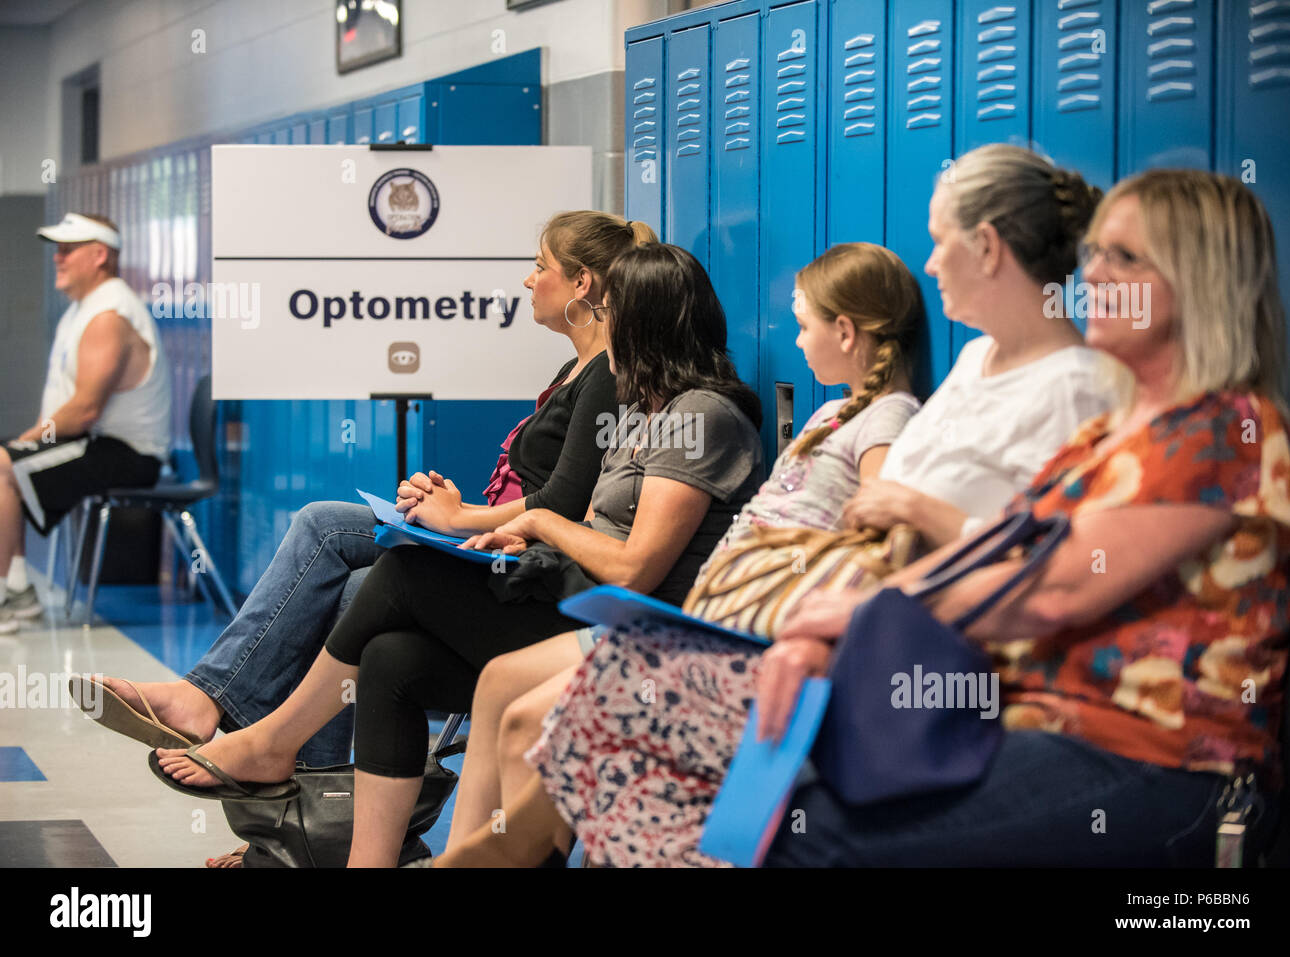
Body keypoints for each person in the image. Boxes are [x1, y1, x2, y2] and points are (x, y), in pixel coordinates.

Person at [442, 143, 1122, 867]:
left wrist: (907, 525)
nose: (927, 264)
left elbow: (1047, 558)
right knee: (587, 727)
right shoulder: (972, 363)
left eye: (939, 241)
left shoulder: (1077, 387)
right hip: (818, 614)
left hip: (893, 639)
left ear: (986, 247)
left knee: (604, 727)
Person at [150, 243, 770, 869]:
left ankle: (274, 742)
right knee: (392, 660)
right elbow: (594, 525)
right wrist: (525, 536)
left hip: (624, 625)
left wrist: (538, 522)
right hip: (573, 594)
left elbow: (637, 568)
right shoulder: (647, 411)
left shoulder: (701, 418)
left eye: (614, 313)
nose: (605, 327)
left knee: (404, 572)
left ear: (649, 324)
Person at [760, 167, 1290, 866]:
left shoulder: (1228, 429)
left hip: (1161, 760)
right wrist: (837, 633)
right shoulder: (1106, 437)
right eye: (1094, 251)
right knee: (778, 794)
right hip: (1030, 717)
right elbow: (998, 563)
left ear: (1200, 275)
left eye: (1123, 257)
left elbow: (1055, 589)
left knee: (812, 837)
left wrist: (867, 614)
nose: (1090, 272)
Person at [73, 210, 654, 772]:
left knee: (332, 541)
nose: (528, 278)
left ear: (581, 282)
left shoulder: (605, 374)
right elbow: (535, 484)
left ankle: (225, 716)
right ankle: (294, 791)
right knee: (336, 556)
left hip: (515, 563)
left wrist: (459, 518)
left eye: (540, 264)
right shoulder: (573, 370)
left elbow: (561, 505)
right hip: (492, 541)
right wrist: (444, 502)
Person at [440, 242, 925, 858]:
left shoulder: (884, 417)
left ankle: (489, 853)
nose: (795, 343)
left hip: (734, 625)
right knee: (501, 691)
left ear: (847, 332)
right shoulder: (831, 411)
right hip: (714, 607)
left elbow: (883, 523)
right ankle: (485, 850)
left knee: (527, 717)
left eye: (803, 326)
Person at [1, 213, 171, 635]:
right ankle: (18, 590)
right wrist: (26, 443)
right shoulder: (83, 309)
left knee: (5, 465)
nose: (57, 258)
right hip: (97, 443)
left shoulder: (109, 314)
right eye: (56, 249)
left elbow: (84, 411)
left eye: (68, 249)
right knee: (9, 461)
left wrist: (22, 444)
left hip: (129, 454)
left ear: (99, 256)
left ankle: (6, 597)